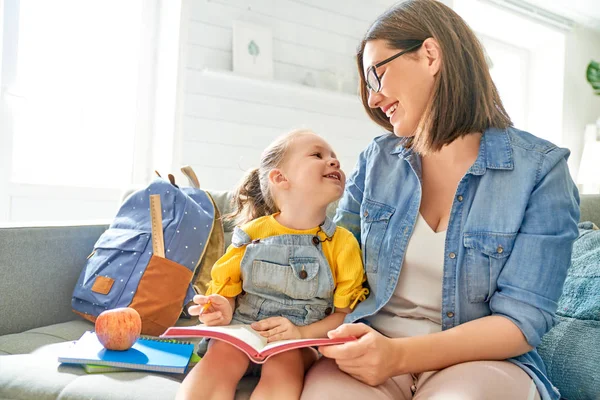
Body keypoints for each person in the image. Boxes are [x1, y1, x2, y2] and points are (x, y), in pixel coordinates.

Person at [300, 1, 580, 400]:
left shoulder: (541, 171)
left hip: (479, 364)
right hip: (369, 350)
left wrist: (398, 355)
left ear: (430, 54)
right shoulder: (377, 161)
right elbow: (331, 263)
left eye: (377, 74)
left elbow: (522, 321)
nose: (374, 99)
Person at [176, 129, 368, 400]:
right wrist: (220, 308)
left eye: (335, 157)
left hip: (298, 342)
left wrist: (300, 333)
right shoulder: (251, 234)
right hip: (244, 330)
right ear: (280, 178)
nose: (334, 161)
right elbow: (227, 295)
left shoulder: (342, 243)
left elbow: (343, 316)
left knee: (284, 362)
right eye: (317, 155)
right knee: (220, 357)